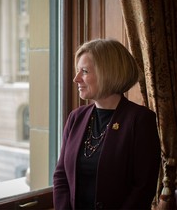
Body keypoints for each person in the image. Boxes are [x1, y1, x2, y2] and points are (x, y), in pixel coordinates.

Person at [53, 38, 161, 210]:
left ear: (108, 73)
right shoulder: (76, 117)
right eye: (77, 71)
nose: (76, 79)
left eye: (85, 71)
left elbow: (142, 188)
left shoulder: (140, 120)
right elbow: (61, 176)